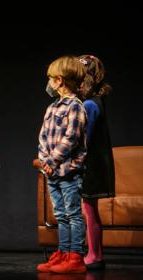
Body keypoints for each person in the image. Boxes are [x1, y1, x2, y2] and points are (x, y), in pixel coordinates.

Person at [36, 55, 87, 274]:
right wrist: (44, 162)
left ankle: (75, 256)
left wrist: (52, 160)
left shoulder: (75, 106)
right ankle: (63, 253)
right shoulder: (52, 107)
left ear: (59, 80)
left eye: (50, 79)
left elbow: (71, 138)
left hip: (69, 171)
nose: (48, 83)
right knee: (60, 215)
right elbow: (44, 137)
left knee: (73, 214)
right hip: (52, 172)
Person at [79, 54, 115, 270]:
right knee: (88, 208)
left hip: (91, 164)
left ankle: (94, 254)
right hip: (92, 162)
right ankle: (95, 253)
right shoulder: (91, 102)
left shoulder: (91, 104)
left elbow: (85, 137)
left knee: (88, 209)